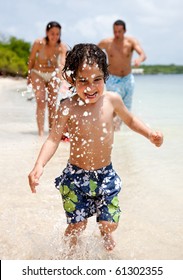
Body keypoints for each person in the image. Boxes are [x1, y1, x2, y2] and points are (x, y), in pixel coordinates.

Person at [28, 43, 163, 251]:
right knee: (77, 226)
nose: (90, 88)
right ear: (72, 79)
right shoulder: (67, 107)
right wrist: (39, 164)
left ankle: (105, 232)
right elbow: (53, 139)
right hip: (75, 176)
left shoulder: (112, 101)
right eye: (83, 81)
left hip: (105, 174)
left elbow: (131, 120)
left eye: (96, 80)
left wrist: (150, 134)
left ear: (105, 76)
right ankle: (69, 255)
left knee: (110, 222)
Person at [98, 19, 147, 130]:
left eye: (119, 31)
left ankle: (118, 136)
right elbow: (92, 52)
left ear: (124, 31)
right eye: (115, 31)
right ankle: (107, 131)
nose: (117, 34)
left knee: (125, 111)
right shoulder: (107, 42)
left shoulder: (131, 42)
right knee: (114, 107)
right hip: (113, 79)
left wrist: (139, 59)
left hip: (128, 79)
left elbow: (143, 54)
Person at [27, 21, 68, 136]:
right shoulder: (39, 43)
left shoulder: (61, 47)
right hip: (37, 73)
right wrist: (29, 75)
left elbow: (62, 63)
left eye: (57, 34)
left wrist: (61, 74)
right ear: (46, 32)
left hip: (53, 74)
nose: (55, 36)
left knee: (52, 104)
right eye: (52, 33)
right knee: (41, 102)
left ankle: (51, 132)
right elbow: (31, 59)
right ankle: (40, 133)